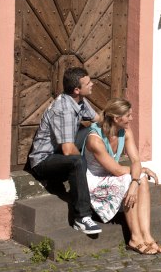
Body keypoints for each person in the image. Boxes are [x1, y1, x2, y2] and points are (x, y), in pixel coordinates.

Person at [83, 98, 161, 255]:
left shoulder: (125, 132)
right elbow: (116, 170)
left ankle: (147, 236)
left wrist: (136, 181)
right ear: (116, 118)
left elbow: (136, 160)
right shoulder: (95, 139)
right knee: (132, 177)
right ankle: (135, 238)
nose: (131, 118)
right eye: (128, 115)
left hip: (115, 174)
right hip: (95, 180)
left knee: (140, 177)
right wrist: (135, 176)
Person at [29, 66, 102, 235]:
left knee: (93, 131)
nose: (92, 84)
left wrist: (117, 119)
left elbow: (98, 120)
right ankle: (82, 217)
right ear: (77, 89)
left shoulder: (78, 100)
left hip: (58, 152)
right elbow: (69, 151)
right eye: (88, 83)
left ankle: (96, 172)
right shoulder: (64, 109)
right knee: (77, 161)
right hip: (43, 161)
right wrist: (84, 167)